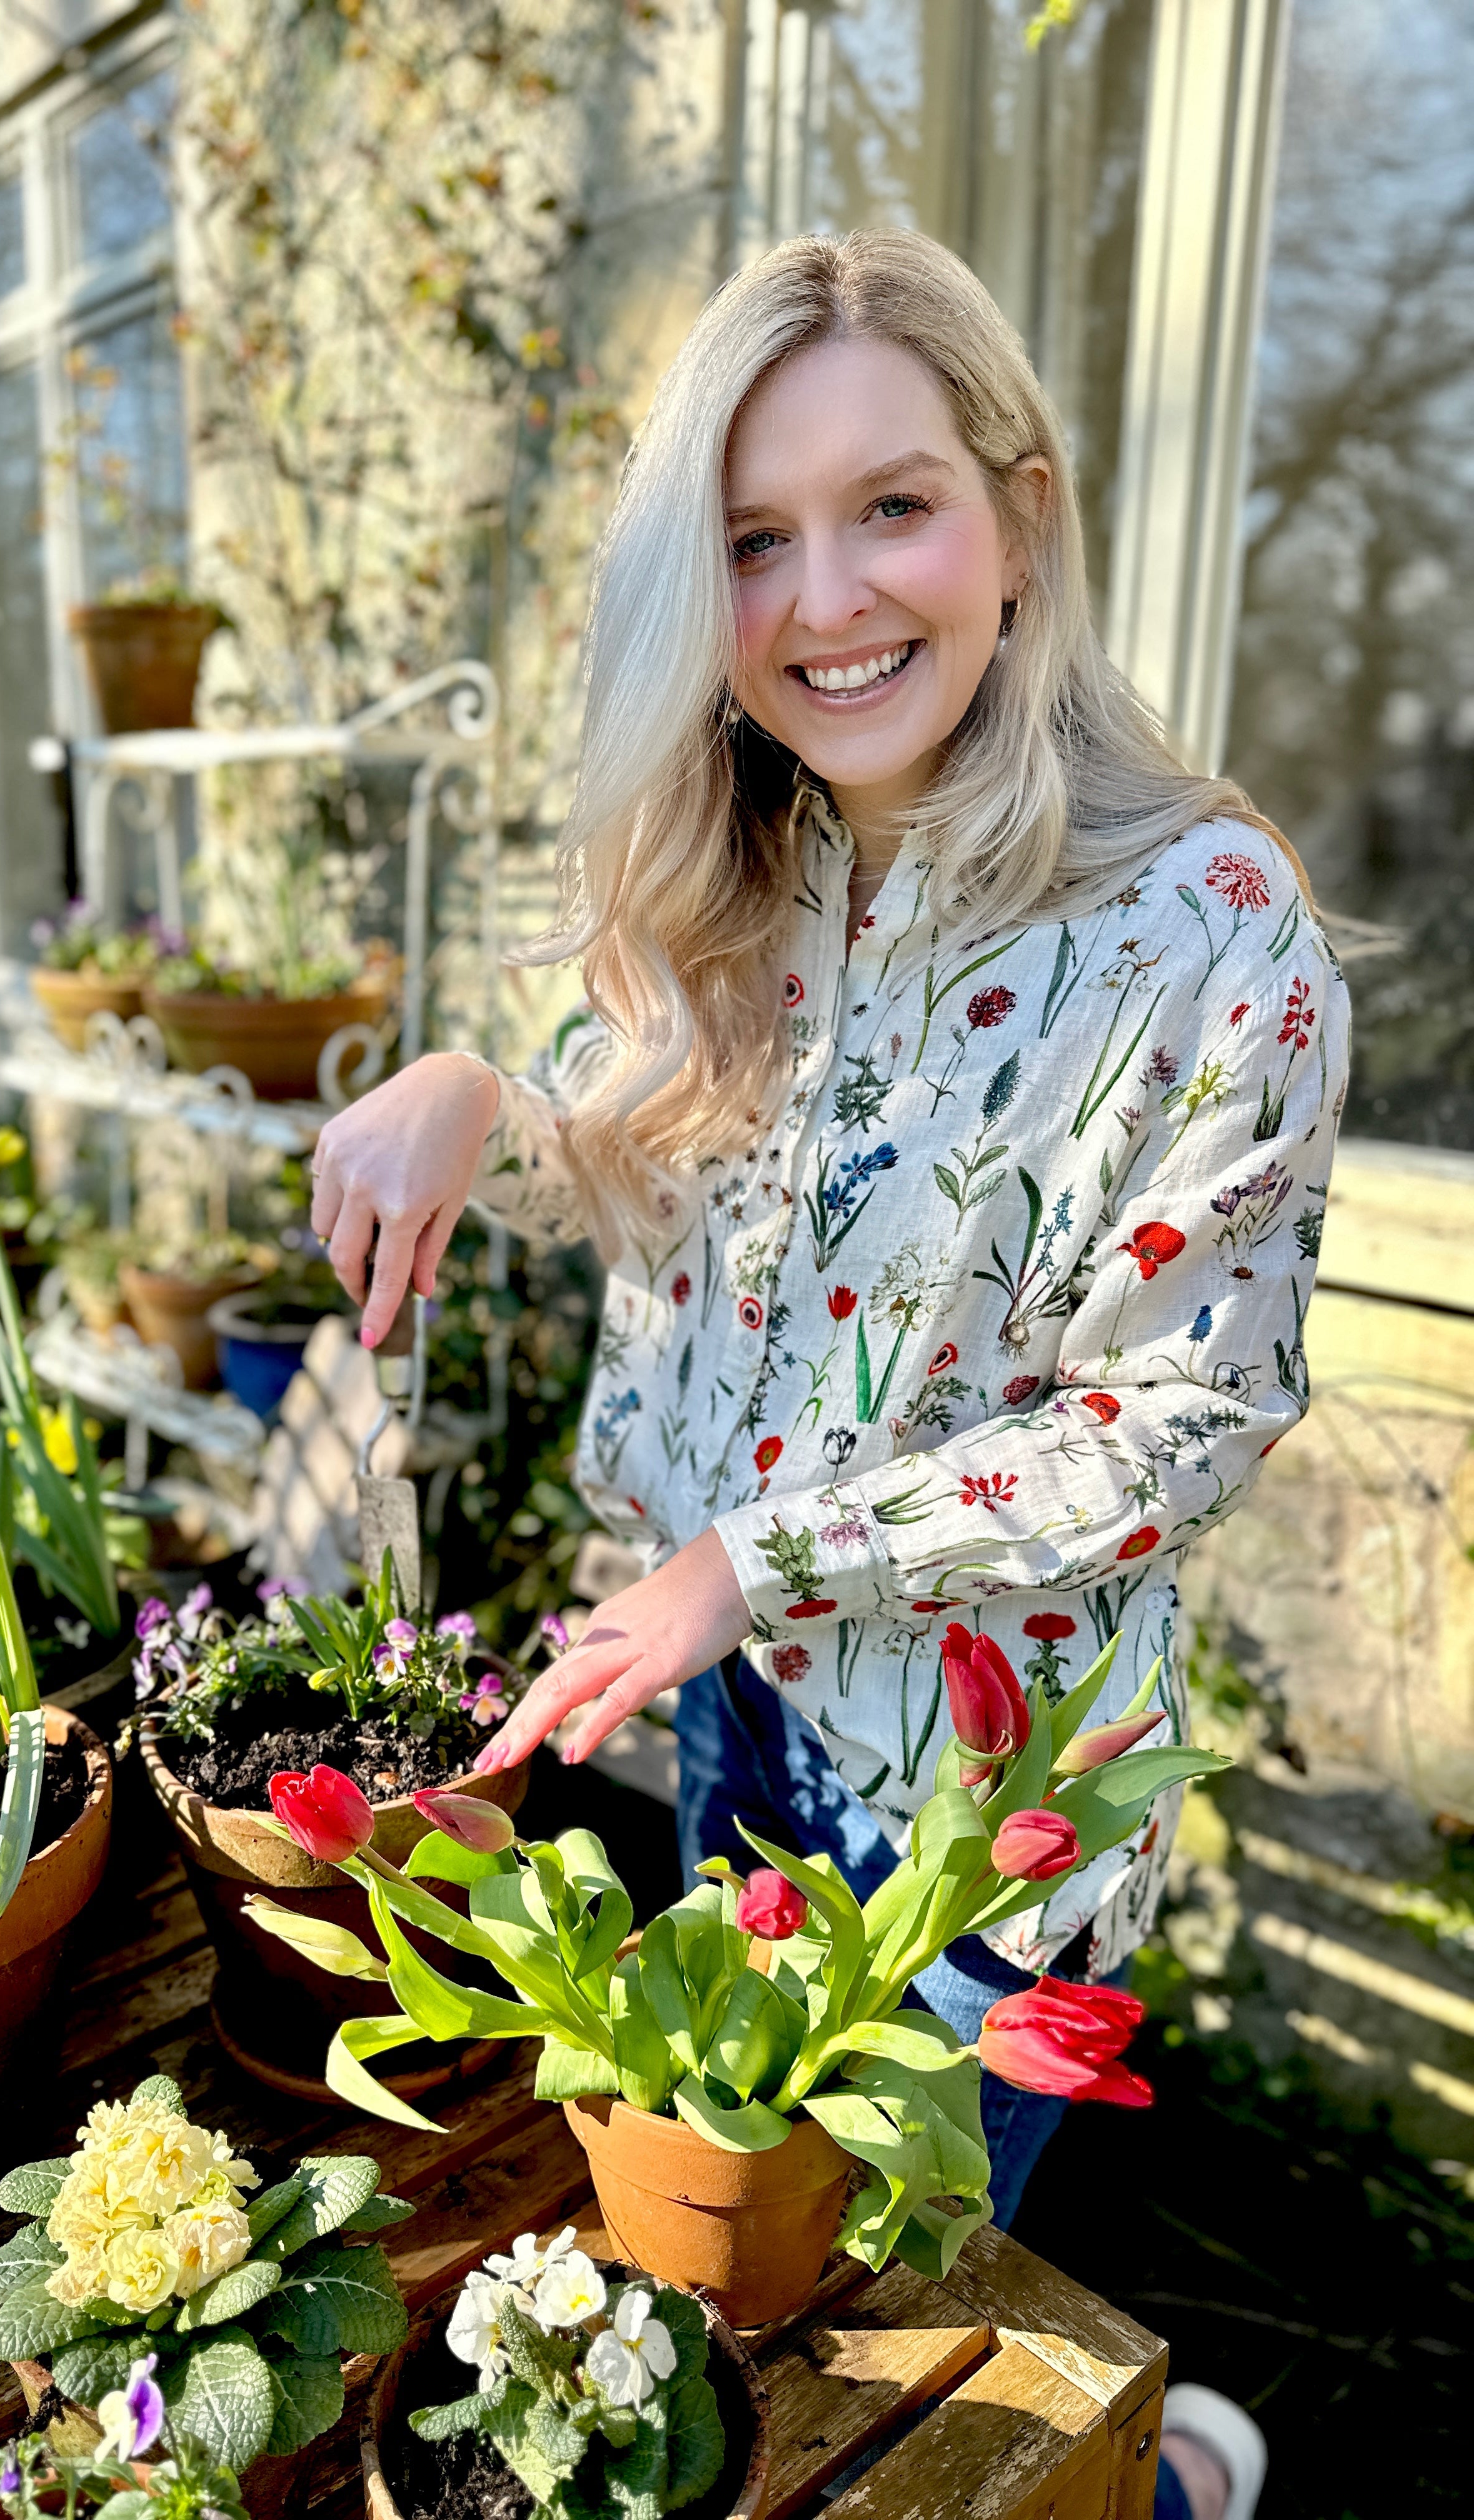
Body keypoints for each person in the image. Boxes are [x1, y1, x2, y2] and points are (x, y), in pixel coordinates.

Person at [312, 222, 1340, 2361]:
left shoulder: (1211, 930)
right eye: (755, 540)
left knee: (865, 2345)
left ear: (1018, 516)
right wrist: (467, 1091)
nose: (826, 601)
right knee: (745, 2297)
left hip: (990, 1825)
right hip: (751, 1732)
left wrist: (748, 1559)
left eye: (893, 507)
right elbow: (624, 1129)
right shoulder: (753, 866)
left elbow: (1176, 1424)